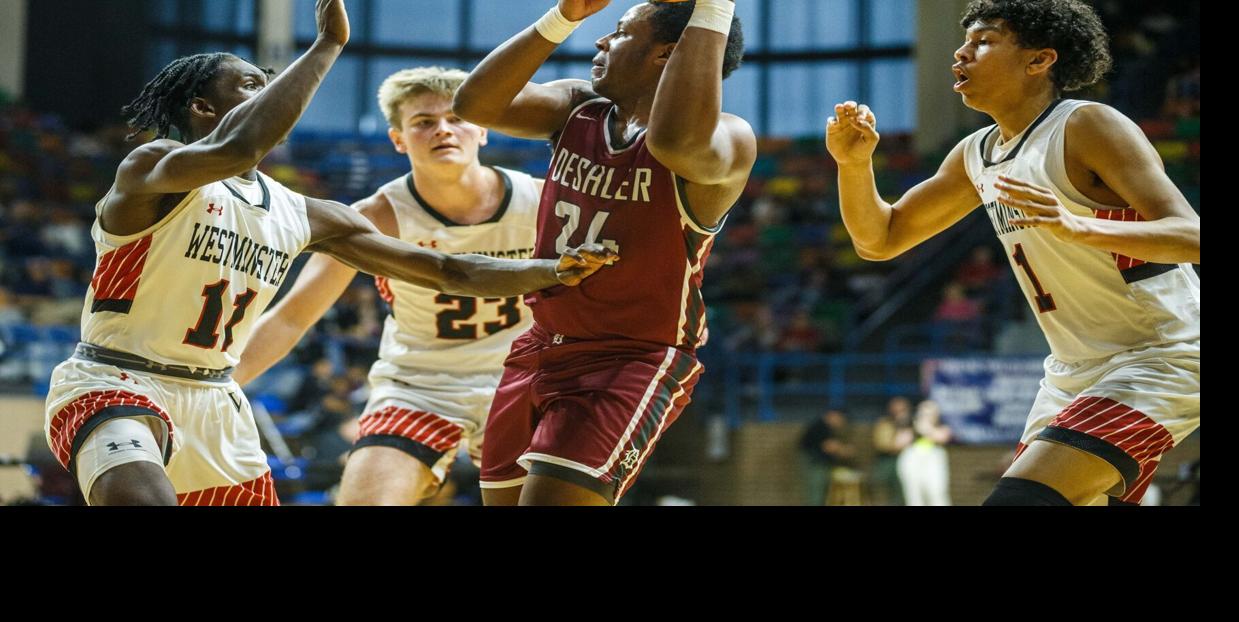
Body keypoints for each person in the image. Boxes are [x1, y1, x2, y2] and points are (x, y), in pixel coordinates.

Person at [42, 0, 613, 506]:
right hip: (117, 380)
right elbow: (243, 147)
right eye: (250, 84)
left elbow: (445, 269)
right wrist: (328, 45)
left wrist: (549, 270)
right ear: (201, 108)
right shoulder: (152, 168)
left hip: (216, 399)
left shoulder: (304, 212)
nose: (270, 90)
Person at [826, 0, 1199, 506]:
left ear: (1039, 60)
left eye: (983, 42)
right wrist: (853, 165)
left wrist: (1080, 227)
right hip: (1072, 371)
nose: (961, 53)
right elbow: (880, 240)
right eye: (965, 42)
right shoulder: (976, 153)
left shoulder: (1088, 125)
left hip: (1162, 353)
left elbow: (1190, 234)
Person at [454, 0, 755, 506]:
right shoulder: (578, 107)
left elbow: (676, 141)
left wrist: (713, 6)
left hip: (629, 357)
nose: (599, 42)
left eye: (617, 32)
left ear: (666, 55)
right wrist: (561, 17)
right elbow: (474, 105)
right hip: (540, 345)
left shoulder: (729, 136)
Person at [236, 67, 548, 505]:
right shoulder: (375, 217)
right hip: (420, 385)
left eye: (456, 118)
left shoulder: (542, 200)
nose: (442, 130)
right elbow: (291, 317)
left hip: (526, 379)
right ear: (398, 139)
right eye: (423, 122)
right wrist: (213, 384)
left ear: (482, 129)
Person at [897, 399, 953, 506]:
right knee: (914, 495)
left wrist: (926, 428)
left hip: (933, 460)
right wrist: (912, 429)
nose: (926, 415)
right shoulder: (910, 424)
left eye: (930, 412)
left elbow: (943, 437)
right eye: (923, 412)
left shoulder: (941, 425)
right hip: (912, 459)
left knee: (936, 492)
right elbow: (898, 443)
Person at [798, 408, 854, 506]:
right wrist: (844, 450)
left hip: (819, 463)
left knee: (822, 492)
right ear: (833, 416)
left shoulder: (827, 427)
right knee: (816, 493)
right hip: (814, 463)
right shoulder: (820, 426)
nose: (841, 423)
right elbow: (828, 446)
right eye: (840, 419)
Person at [870, 395, 913, 505]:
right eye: (896, 408)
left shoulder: (913, 424)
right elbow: (882, 444)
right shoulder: (884, 423)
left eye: (902, 409)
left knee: (901, 494)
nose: (899, 412)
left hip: (906, 461)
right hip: (886, 461)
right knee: (881, 490)